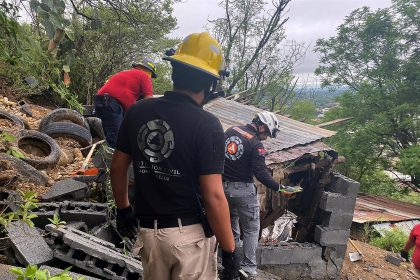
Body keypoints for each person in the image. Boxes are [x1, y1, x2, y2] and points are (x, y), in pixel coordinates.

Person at [110, 32, 237, 280]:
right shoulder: (207, 124)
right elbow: (213, 195)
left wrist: (123, 209)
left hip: (150, 236)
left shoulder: (137, 111)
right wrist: (230, 251)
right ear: (209, 84)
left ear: (175, 71)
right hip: (189, 239)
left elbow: (117, 168)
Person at [223, 111, 301, 279]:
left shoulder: (230, 131)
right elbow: (261, 174)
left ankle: (232, 264)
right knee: (251, 229)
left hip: (223, 189)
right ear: (262, 126)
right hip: (243, 191)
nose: (266, 138)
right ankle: (248, 268)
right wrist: (281, 188)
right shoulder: (256, 144)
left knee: (232, 228)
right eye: (267, 133)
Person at [94, 58, 157, 148]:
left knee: (112, 133)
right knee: (116, 137)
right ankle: (111, 160)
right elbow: (149, 100)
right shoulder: (144, 76)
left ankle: (106, 154)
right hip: (111, 104)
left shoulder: (127, 73)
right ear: (150, 72)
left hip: (102, 101)